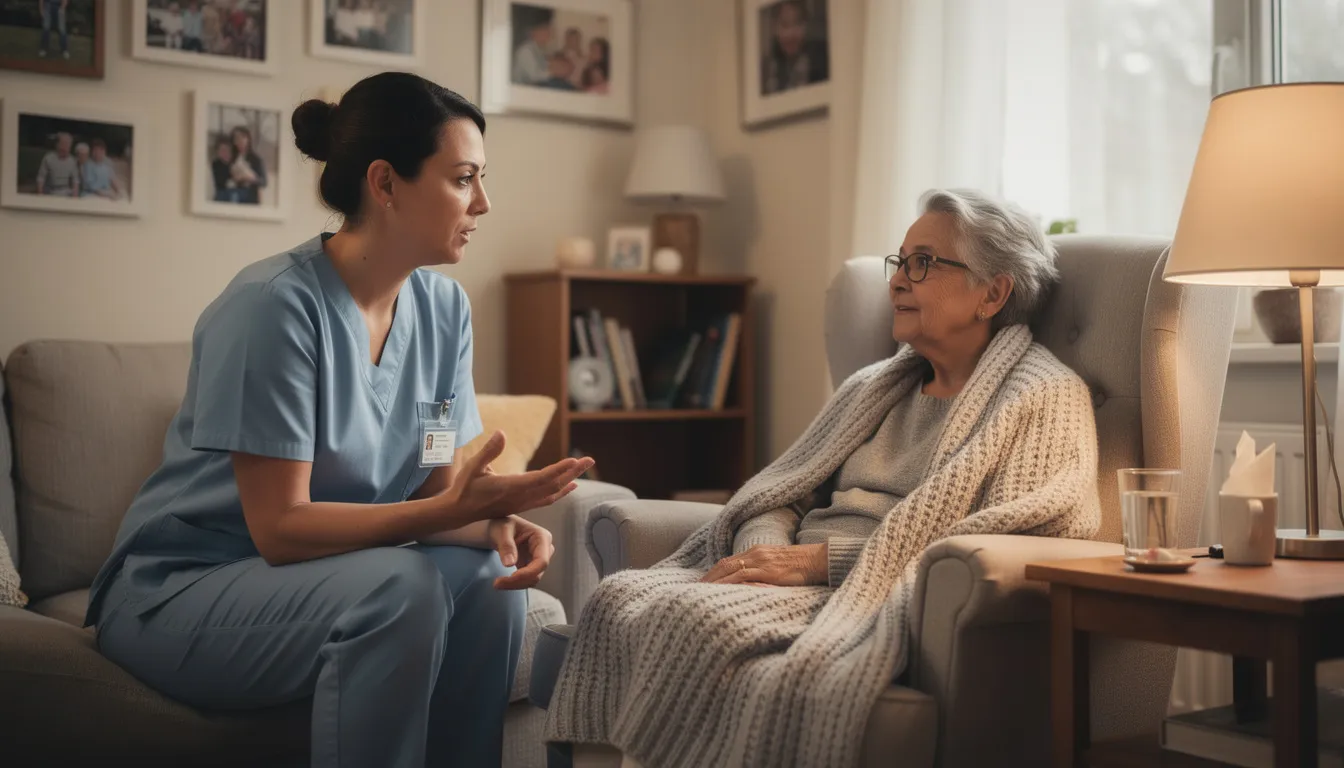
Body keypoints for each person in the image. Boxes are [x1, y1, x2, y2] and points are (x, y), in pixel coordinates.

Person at [84, 71, 594, 768]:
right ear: (385, 183)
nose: (483, 202)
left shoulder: (445, 313)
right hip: (184, 588)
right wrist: (452, 512)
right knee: (404, 588)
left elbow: (432, 496)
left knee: (489, 581)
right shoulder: (271, 307)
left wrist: (492, 522)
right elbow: (280, 529)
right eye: (463, 179)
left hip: (334, 575)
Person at [545, 189, 1101, 766]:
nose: (897, 282)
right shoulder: (872, 387)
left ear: (994, 293)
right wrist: (764, 556)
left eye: (923, 263)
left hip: (867, 593)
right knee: (617, 597)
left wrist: (815, 564)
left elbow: (1030, 531)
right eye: (899, 261)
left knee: (695, 620)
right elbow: (780, 493)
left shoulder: (1043, 398)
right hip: (792, 574)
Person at [761, 0, 829, 95]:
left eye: (797, 23)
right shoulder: (766, 69)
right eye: (784, 25)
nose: (791, 33)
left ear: (806, 25)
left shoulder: (820, 62)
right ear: (774, 28)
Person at [227, 126, 266, 205]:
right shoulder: (231, 159)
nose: (240, 141)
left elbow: (264, 182)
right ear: (233, 142)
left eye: (243, 137)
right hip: (234, 198)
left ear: (248, 139)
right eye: (237, 138)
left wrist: (250, 179)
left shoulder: (256, 159)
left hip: (251, 200)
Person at [511, 13, 553, 85]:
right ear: (534, 32)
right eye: (544, 30)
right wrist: (553, 73)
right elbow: (534, 76)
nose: (549, 33)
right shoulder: (526, 50)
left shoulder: (539, 49)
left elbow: (544, 66)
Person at [35, 131, 78, 196]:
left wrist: (75, 196)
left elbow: (75, 180)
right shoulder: (48, 158)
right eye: (63, 144)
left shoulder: (72, 161)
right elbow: (41, 178)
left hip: (66, 192)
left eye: (68, 145)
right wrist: (40, 194)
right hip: (50, 191)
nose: (65, 147)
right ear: (57, 145)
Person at [210, 135, 239, 203]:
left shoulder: (236, 162)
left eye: (227, 149)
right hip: (222, 195)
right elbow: (220, 184)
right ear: (217, 152)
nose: (225, 152)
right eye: (222, 150)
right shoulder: (215, 164)